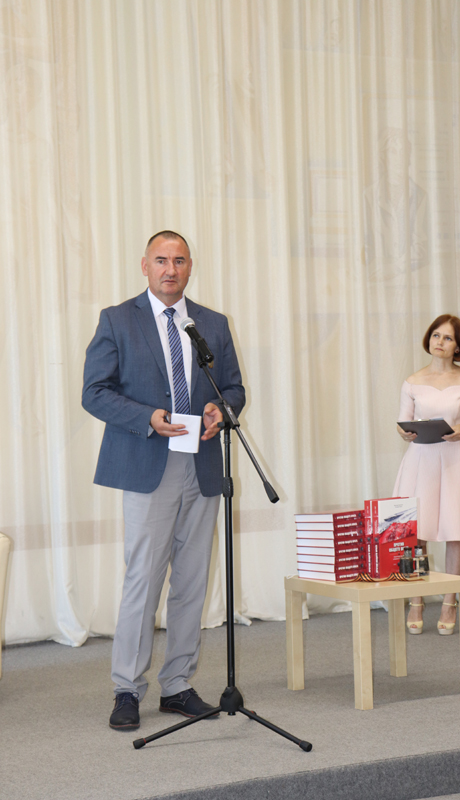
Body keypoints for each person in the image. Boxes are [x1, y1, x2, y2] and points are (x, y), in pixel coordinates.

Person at [82, 230, 245, 730]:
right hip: (148, 463)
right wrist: (147, 417)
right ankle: (127, 689)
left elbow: (234, 387)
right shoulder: (117, 320)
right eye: (161, 260)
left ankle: (177, 685)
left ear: (190, 266)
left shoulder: (211, 323)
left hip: (202, 464)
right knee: (144, 579)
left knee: (192, 580)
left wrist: (220, 408)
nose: (170, 269)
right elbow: (95, 392)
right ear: (145, 266)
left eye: (178, 260)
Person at [394, 315, 460, 635]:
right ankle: (417, 600)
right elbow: (402, 423)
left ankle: (450, 601)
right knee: (416, 535)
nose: (440, 342)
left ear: (458, 346)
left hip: (455, 458)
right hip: (420, 459)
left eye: (448, 338)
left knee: (455, 530)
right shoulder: (412, 381)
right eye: (436, 335)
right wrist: (405, 432)